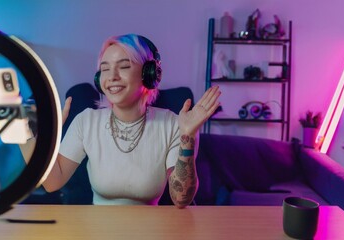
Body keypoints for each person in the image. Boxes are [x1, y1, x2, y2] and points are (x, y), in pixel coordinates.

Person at [41, 34, 220, 208]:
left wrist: (187, 136)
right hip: (98, 230)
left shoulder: (173, 124)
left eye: (124, 66)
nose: (112, 77)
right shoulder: (86, 121)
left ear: (149, 74)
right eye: (105, 69)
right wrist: (32, 133)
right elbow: (52, 183)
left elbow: (181, 199)